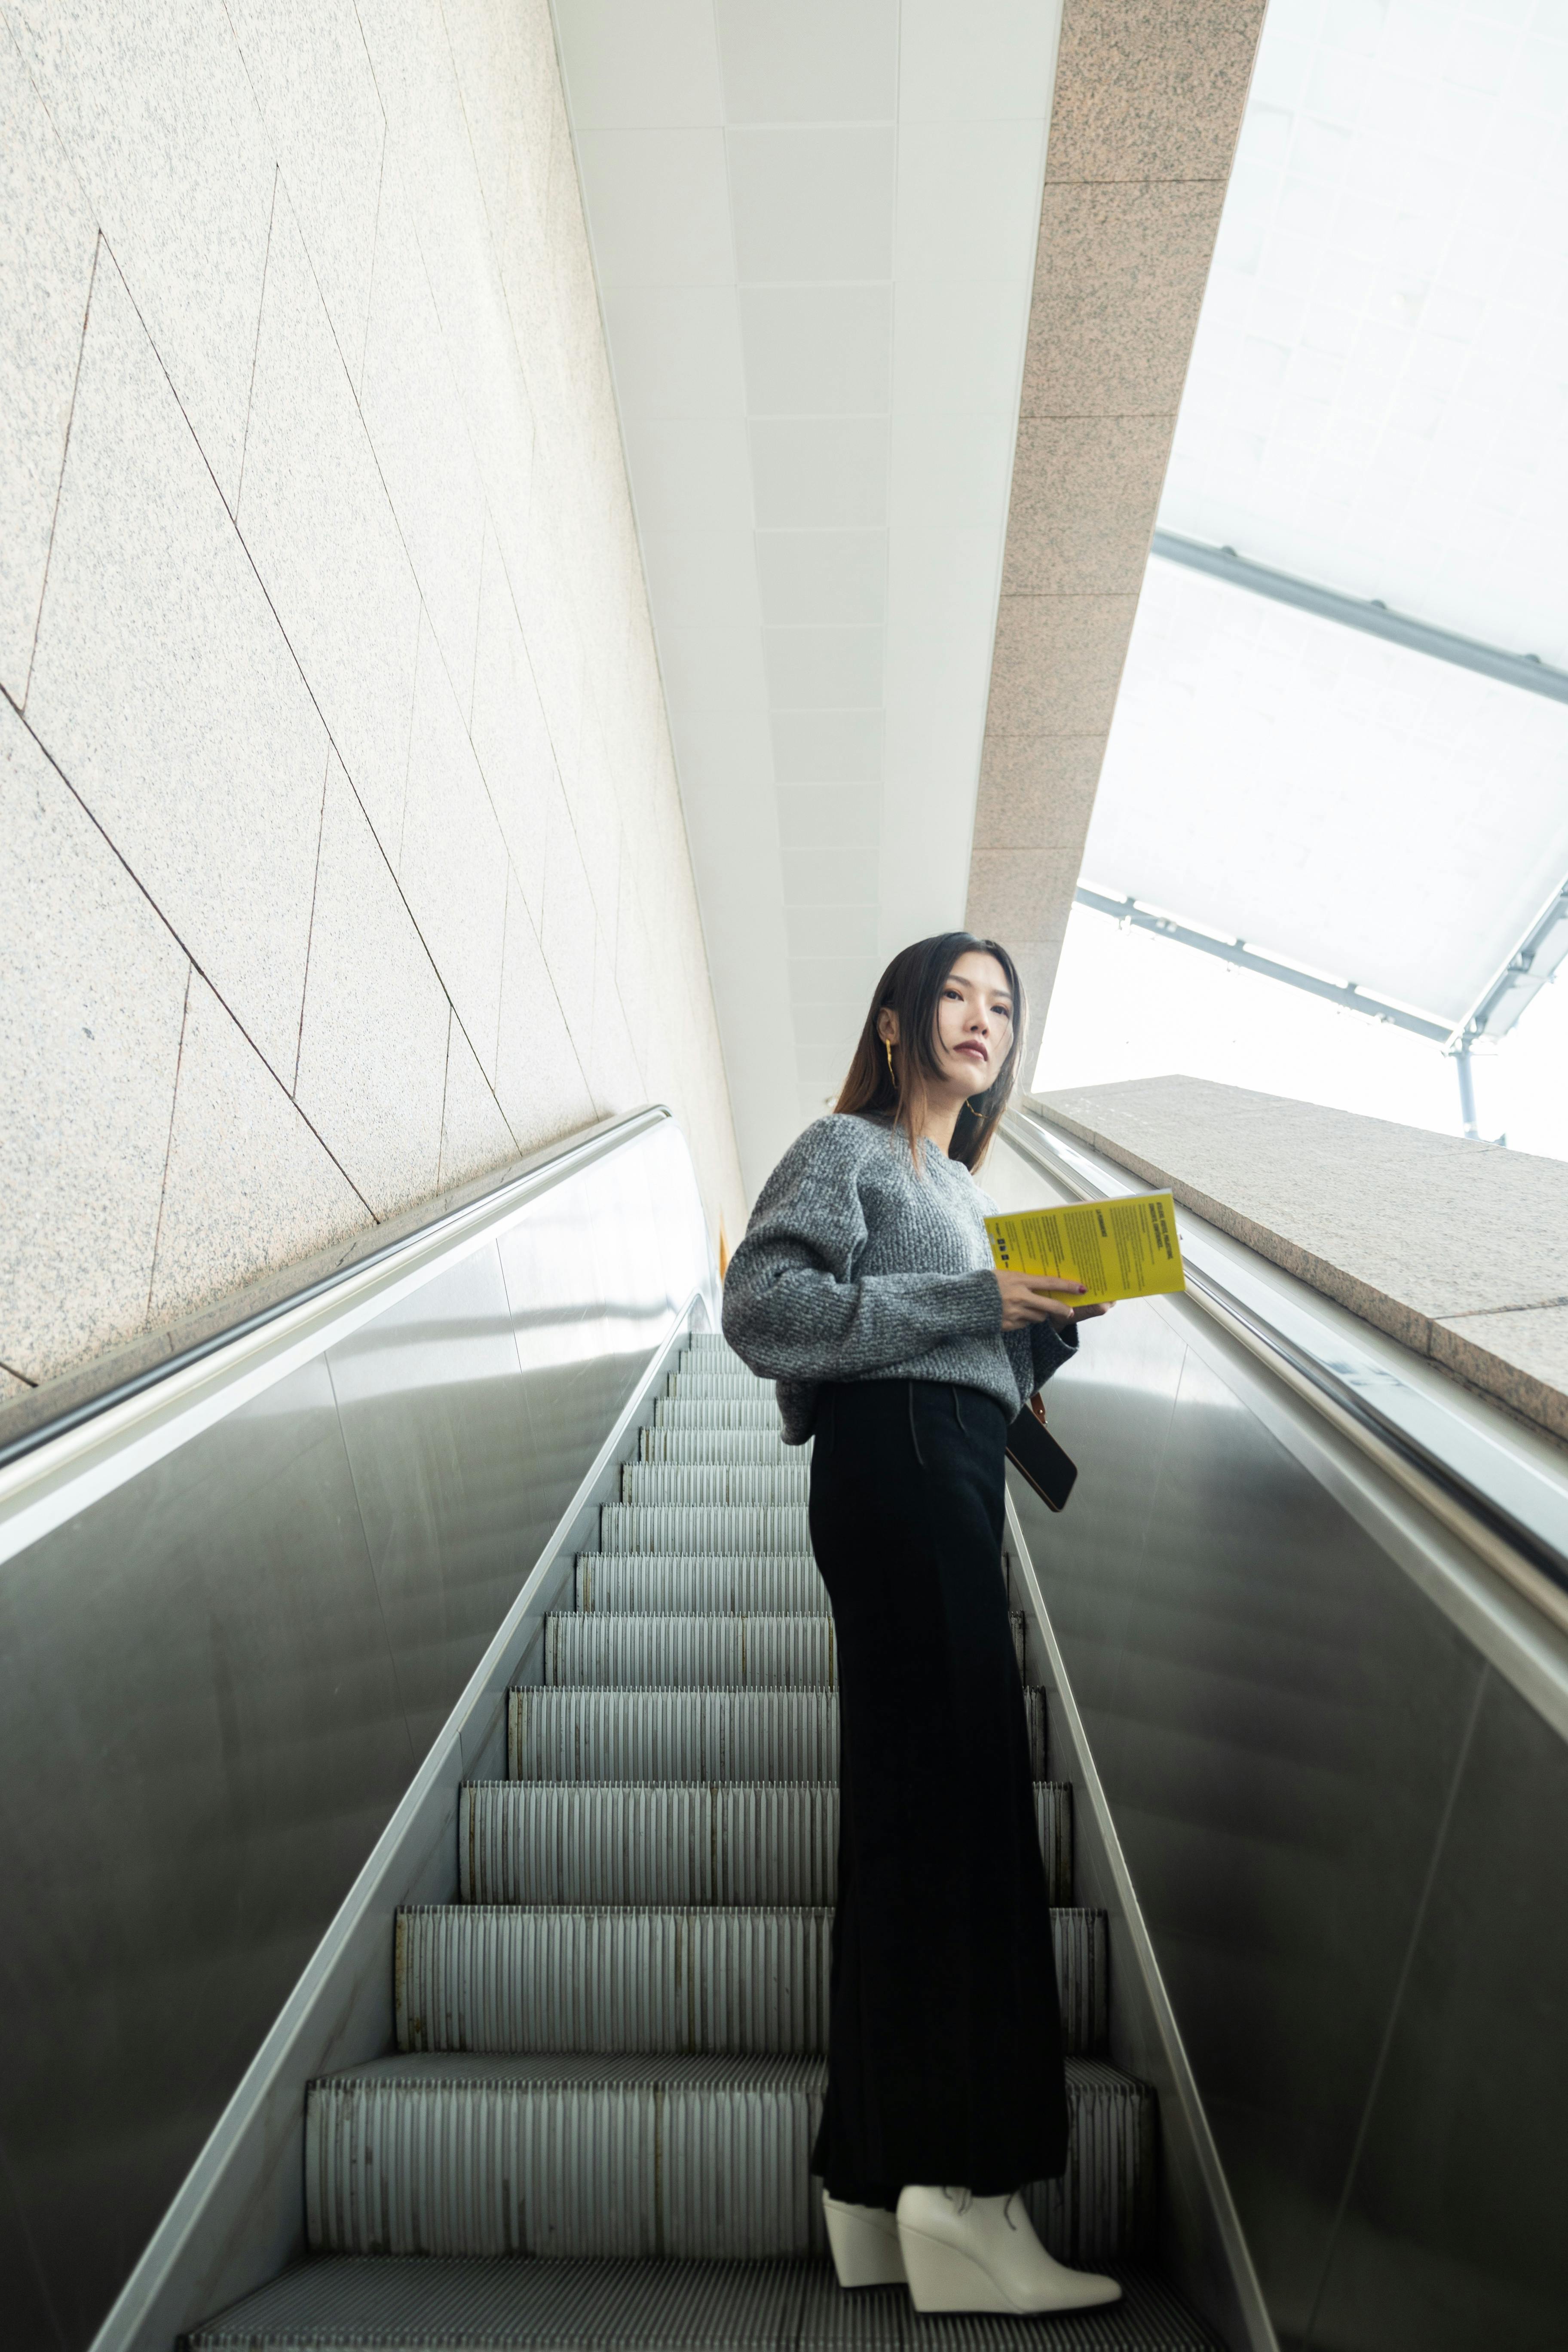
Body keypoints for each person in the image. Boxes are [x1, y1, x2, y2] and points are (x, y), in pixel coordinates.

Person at [721, 932, 1120, 2317]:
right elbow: (762, 1308)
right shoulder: (848, 1148)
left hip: (944, 1461)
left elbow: (945, 1332)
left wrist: (1028, 1336)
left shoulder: (960, 1186)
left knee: (913, 1810)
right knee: (965, 1811)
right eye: (956, 992)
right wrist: (970, 1300)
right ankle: (966, 2193)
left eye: (1003, 1004)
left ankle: (874, 2185)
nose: (981, 1018)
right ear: (895, 1021)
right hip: (895, 1468)